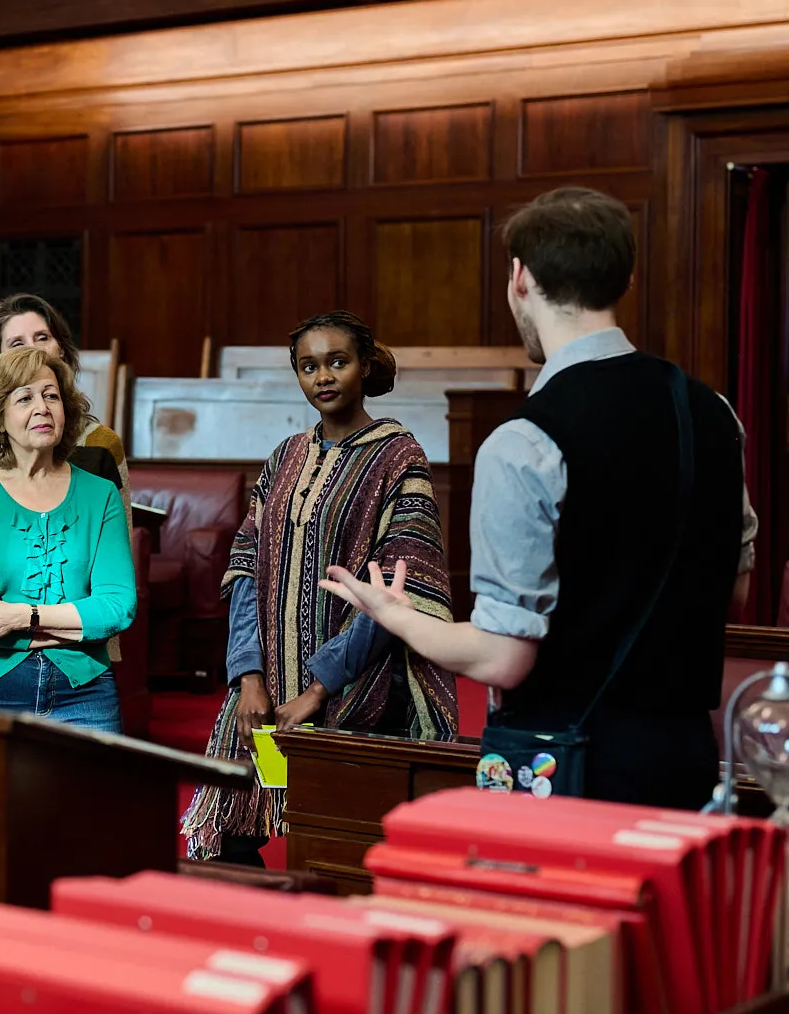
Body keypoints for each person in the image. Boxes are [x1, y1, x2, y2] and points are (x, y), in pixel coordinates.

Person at [321, 187, 758, 812]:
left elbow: (504, 660)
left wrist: (393, 614)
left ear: (520, 277)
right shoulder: (713, 413)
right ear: (624, 277)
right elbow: (733, 591)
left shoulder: (524, 442)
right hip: (688, 757)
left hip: (570, 766)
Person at [183, 311, 458, 866]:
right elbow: (244, 566)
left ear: (365, 367)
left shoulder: (398, 455)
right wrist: (249, 677)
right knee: (223, 838)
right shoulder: (284, 456)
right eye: (309, 367)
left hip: (359, 686)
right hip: (266, 684)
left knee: (340, 848)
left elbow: (398, 588)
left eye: (338, 361)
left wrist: (319, 689)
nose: (323, 377)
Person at [0, 346, 136, 730]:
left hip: (85, 692)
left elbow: (118, 607)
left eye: (51, 395)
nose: (43, 407)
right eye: (25, 397)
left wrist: (20, 616)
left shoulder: (101, 496)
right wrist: (75, 626)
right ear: (0, 416)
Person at [0, 292, 130, 664]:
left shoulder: (102, 447)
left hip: (85, 658)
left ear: (61, 347)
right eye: (16, 344)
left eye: (42, 338)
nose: (35, 352)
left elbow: (115, 595)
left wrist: (20, 618)